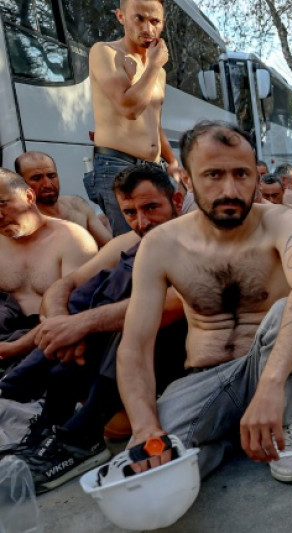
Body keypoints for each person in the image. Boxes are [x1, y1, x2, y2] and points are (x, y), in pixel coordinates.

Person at [116, 121, 292, 482]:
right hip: (204, 381)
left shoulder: (282, 221)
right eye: (213, 175)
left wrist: (270, 387)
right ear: (187, 179)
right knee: (151, 470)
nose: (230, 189)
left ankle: (279, 421)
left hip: (279, 374)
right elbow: (135, 345)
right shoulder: (161, 245)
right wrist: (144, 426)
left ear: (256, 177)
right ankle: (231, 438)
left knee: (289, 308)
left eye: (241, 174)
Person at [1, 163, 187, 492]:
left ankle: (78, 437)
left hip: (159, 356)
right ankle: (51, 419)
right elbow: (65, 285)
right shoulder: (131, 240)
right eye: (130, 212)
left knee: (131, 303)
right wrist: (63, 323)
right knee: (90, 292)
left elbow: (173, 305)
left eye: (151, 208)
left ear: (177, 200)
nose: (142, 221)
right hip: (97, 361)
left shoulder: (194, 243)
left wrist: (81, 325)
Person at [86, 0, 183, 236]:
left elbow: (153, 122)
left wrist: (173, 162)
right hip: (117, 165)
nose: (148, 29)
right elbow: (129, 108)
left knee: (164, 241)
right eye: (139, 18)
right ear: (121, 16)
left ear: (163, 23)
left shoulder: (159, 72)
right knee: (133, 246)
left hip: (154, 168)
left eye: (155, 21)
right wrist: (153, 66)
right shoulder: (105, 52)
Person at [0, 170, 97, 366]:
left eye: (2, 203)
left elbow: (78, 308)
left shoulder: (72, 239)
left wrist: (16, 347)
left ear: (29, 197)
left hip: (52, 342)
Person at [14, 152, 112, 247]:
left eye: (51, 176)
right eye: (37, 178)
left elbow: (109, 245)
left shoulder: (77, 205)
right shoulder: (26, 225)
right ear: (21, 183)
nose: (48, 184)